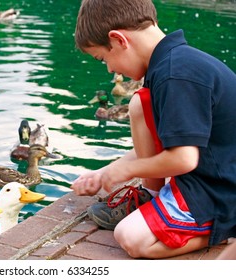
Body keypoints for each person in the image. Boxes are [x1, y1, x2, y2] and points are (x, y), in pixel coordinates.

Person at [71, 0, 236, 259]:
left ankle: (222, 228)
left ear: (119, 39)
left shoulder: (175, 75)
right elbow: (169, 146)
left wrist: (123, 170)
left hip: (221, 188)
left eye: (103, 58)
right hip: (211, 170)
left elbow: (183, 158)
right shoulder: (170, 63)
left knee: (131, 238)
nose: (110, 69)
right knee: (140, 103)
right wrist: (103, 173)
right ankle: (153, 197)